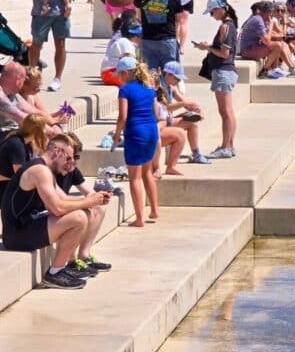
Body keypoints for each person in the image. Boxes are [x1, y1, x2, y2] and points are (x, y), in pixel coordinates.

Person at [0, 134, 111, 289]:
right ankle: (54, 274)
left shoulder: (45, 170)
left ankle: (66, 266)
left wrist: (95, 199)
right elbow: (57, 208)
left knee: (85, 212)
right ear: (58, 151)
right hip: (16, 234)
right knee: (78, 217)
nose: (70, 163)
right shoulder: (39, 170)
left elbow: (64, 199)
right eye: (68, 158)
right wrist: (87, 201)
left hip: (26, 226)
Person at [111, 57, 160, 227]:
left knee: (134, 178)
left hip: (135, 133)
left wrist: (117, 136)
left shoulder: (124, 90)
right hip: (152, 131)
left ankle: (139, 219)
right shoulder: (149, 87)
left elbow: (122, 116)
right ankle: (154, 210)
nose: (118, 78)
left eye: (119, 75)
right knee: (147, 172)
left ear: (125, 73)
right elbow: (156, 113)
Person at [55, 132, 113, 276]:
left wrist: (101, 196)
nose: (73, 161)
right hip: (49, 213)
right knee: (81, 214)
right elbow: (57, 204)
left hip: (60, 210)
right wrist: (85, 202)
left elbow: (89, 192)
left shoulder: (73, 171)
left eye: (77, 157)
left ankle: (84, 256)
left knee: (98, 208)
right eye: (70, 157)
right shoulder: (49, 172)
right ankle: (70, 260)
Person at [195, 0, 240, 158]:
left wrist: (207, 48)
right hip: (225, 71)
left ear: (222, 9)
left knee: (225, 112)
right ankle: (229, 145)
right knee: (228, 112)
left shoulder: (226, 27)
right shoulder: (230, 25)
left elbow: (224, 53)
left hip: (223, 71)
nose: (212, 15)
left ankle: (225, 147)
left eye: (213, 11)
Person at [134, 0, 182, 72]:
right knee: (170, 75)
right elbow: (178, 21)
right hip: (168, 38)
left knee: (150, 76)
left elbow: (139, 16)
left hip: (148, 38)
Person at [157, 61, 208, 165]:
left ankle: (196, 154)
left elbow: (185, 103)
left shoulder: (171, 87)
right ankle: (193, 156)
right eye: (177, 78)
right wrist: (184, 103)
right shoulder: (158, 88)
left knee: (193, 122)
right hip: (159, 122)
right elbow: (166, 107)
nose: (179, 81)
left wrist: (197, 109)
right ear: (169, 74)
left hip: (167, 119)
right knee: (188, 127)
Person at [239, 0, 295, 78]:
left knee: (282, 44)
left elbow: (269, 36)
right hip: (247, 51)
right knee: (277, 45)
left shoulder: (262, 19)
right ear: (266, 12)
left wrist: (281, 37)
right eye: (271, 12)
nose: (272, 14)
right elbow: (267, 40)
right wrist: (272, 25)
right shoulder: (258, 20)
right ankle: (265, 71)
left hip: (254, 47)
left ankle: (292, 67)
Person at [0, 114, 50, 205]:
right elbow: (21, 176)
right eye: (44, 128)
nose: (46, 131)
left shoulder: (26, 143)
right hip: (4, 190)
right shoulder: (17, 145)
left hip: (9, 185)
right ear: (37, 131)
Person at [100, 16, 142, 86]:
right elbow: (129, 63)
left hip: (112, 72)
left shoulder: (126, 42)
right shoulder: (125, 42)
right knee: (140, 83)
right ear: (136, 36)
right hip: (111, 72)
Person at [0, 63, 33, 139]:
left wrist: (54, 123)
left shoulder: (11, 92)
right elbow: (18, 116)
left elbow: (33, 111)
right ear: (18, 81)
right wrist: (49, 130)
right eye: (23, 80)